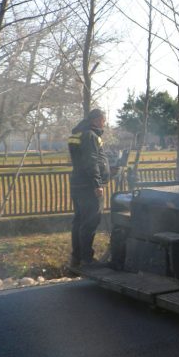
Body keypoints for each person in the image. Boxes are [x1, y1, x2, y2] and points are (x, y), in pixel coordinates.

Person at [67, 109, 111, 267]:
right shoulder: (90, 136)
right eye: (103, 120)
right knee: (90, 221)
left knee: (79, 221)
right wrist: (97, 184)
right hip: (89, 186)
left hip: (78, 184)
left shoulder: (78, 134)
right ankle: (86, 259)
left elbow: (84, 160)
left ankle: (76, 258)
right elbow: (91, 161)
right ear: (97, 119)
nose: (104, 123)